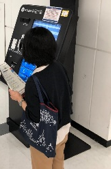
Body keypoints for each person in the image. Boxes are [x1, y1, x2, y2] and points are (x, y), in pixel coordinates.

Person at [9, 27, 72, 169]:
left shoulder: (34, 80)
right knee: (58, 165)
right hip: (64, 129)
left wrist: (19, 99)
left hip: (46, 137)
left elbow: (34, 116)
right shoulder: (59, 67)